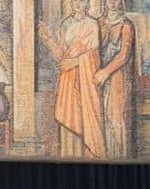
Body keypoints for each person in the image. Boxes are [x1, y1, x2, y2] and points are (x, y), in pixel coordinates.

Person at [38, 0, 106, 159]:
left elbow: (95, 57)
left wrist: (75, 62)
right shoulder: (65, 24)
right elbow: (61, 55)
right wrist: (49, 39)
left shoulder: (92, 24)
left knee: (86, 121)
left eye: (81, 1)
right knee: (69, 119)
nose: (77, 3)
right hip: (67, 80)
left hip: (86, 80)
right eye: (74, 0)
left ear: (87, 3)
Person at [96, 0, 135, 158]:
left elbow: (124, 55)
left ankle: (118, 159)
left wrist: (106, 72)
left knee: (116, 118)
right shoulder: (98, 23)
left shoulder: (126, 25)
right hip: (97, 77)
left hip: (117, 79)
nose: (112, 2)